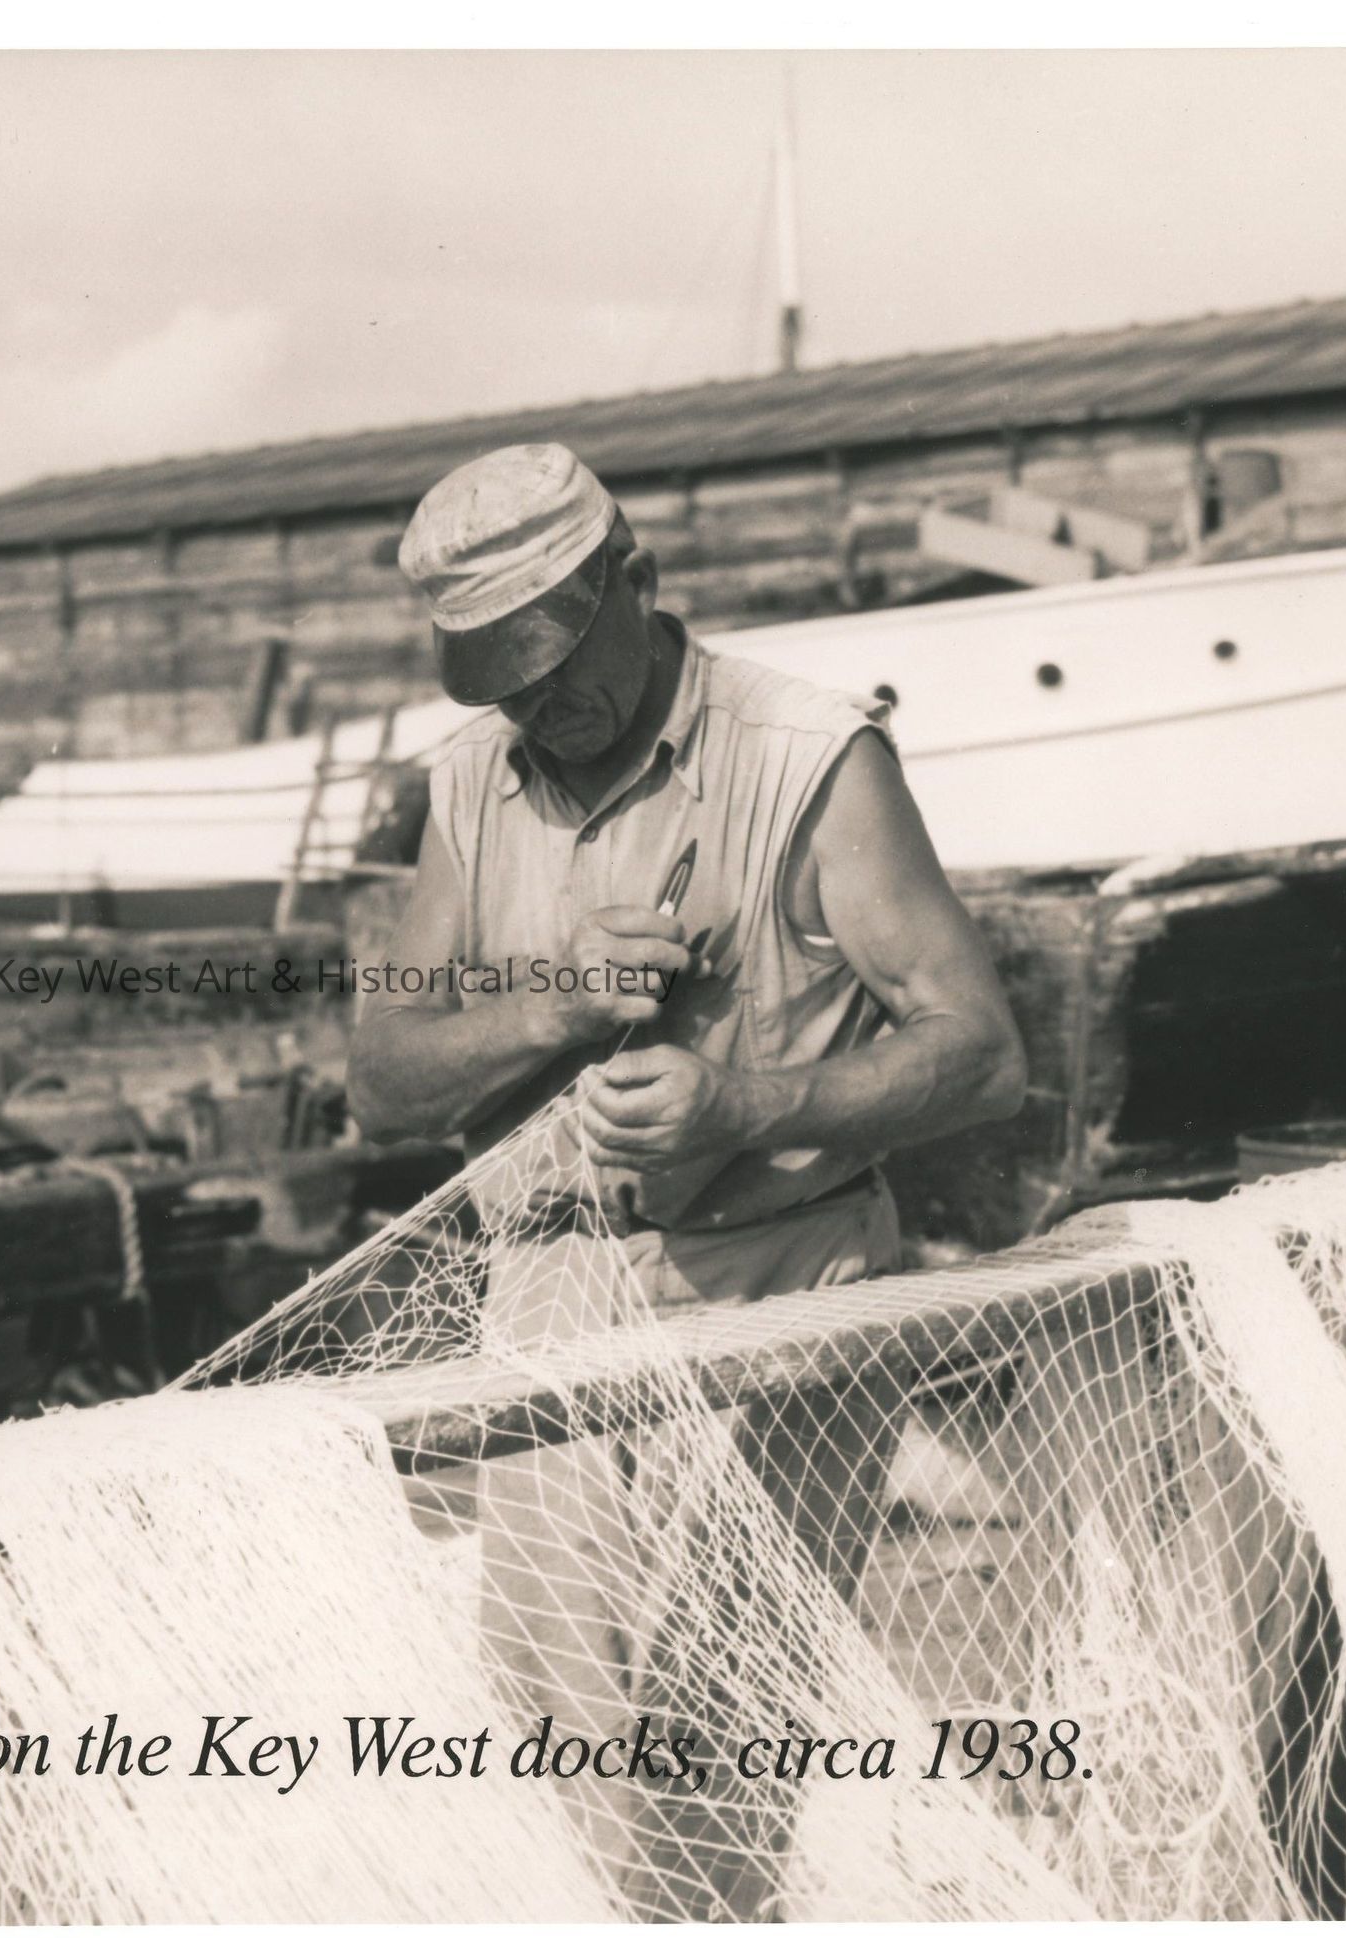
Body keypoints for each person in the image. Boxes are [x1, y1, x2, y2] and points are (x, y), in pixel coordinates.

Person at [349, 443, 1025, 1915]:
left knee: (724, 1714)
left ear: (635, 583)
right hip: (551, 1288)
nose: (539, 709)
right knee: (556, 1711)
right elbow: (380, 1077)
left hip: (778, 1279)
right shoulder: (466, 784)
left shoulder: (812, 758)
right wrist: (552, 1002)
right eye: (501, 680)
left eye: (553, 663)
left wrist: (749, 1101)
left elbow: (981, 1055)